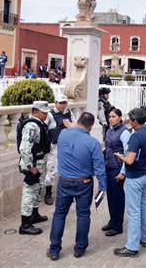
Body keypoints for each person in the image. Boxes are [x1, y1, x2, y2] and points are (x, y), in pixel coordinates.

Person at [47, 112, 106, 260]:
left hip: (65, 181)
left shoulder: (63, 135)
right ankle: (79, 248)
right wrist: (102, 187)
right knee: (83, 215)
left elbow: (72, 129)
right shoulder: (93, 142)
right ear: (91, 127)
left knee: (59, 214)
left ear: (78, 120)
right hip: (84, 182)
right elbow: (100, 168)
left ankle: (54, 249)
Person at [113, 108, 146, 258]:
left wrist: (120, 157)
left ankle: (132, 247)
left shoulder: (135, 137)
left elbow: (130, 160)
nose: (129, 123)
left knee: (134, 212)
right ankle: (145, 238)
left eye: (130, 121)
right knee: (143, 207)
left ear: (135, 122)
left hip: (134, 178)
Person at [17, 101, 51, 235]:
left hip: (39, 163)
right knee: (29, 192)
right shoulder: (31, 126)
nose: (46, 114)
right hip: (33, 165)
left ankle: (34, 214)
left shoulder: (40, 124)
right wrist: (30, 167)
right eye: (43, 112)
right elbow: (25, 148)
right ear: (35, 112)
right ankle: (25, 224)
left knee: (38, 189)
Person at [102, 108, 131, 237]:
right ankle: (112, 220)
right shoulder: (109, 131)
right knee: (110, 196)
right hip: (108, 166)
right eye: (109, 116)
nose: (111, 119)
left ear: (120, 117)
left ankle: (117, 225)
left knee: (118, 198)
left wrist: (123, 171)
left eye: (113, 116)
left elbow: (127, 153)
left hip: (117, 168)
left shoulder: (124, 132)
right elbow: (107, 148)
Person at [44, 94, 76, 205]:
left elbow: (75, 126)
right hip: (55, 146)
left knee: (67, 170)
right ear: (56, 103)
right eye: (60, 103)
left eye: (64, 103)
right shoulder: (50, 115)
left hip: (67, 146)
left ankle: (67, 194)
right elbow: (45, 129)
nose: (62, 105)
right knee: (52, 170)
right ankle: (48, 194)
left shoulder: (69, 113)